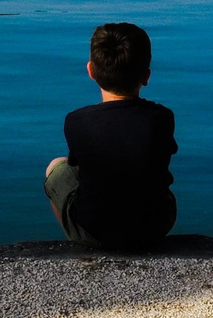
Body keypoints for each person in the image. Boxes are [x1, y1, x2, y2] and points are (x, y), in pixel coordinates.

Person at [43, 21, 176, 251]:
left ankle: (79, 239)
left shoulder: (76, 121)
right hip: (153, 228)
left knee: (56, 167)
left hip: (95, 231)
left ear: (91, 71)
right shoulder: (162, 118)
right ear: (146, 76)